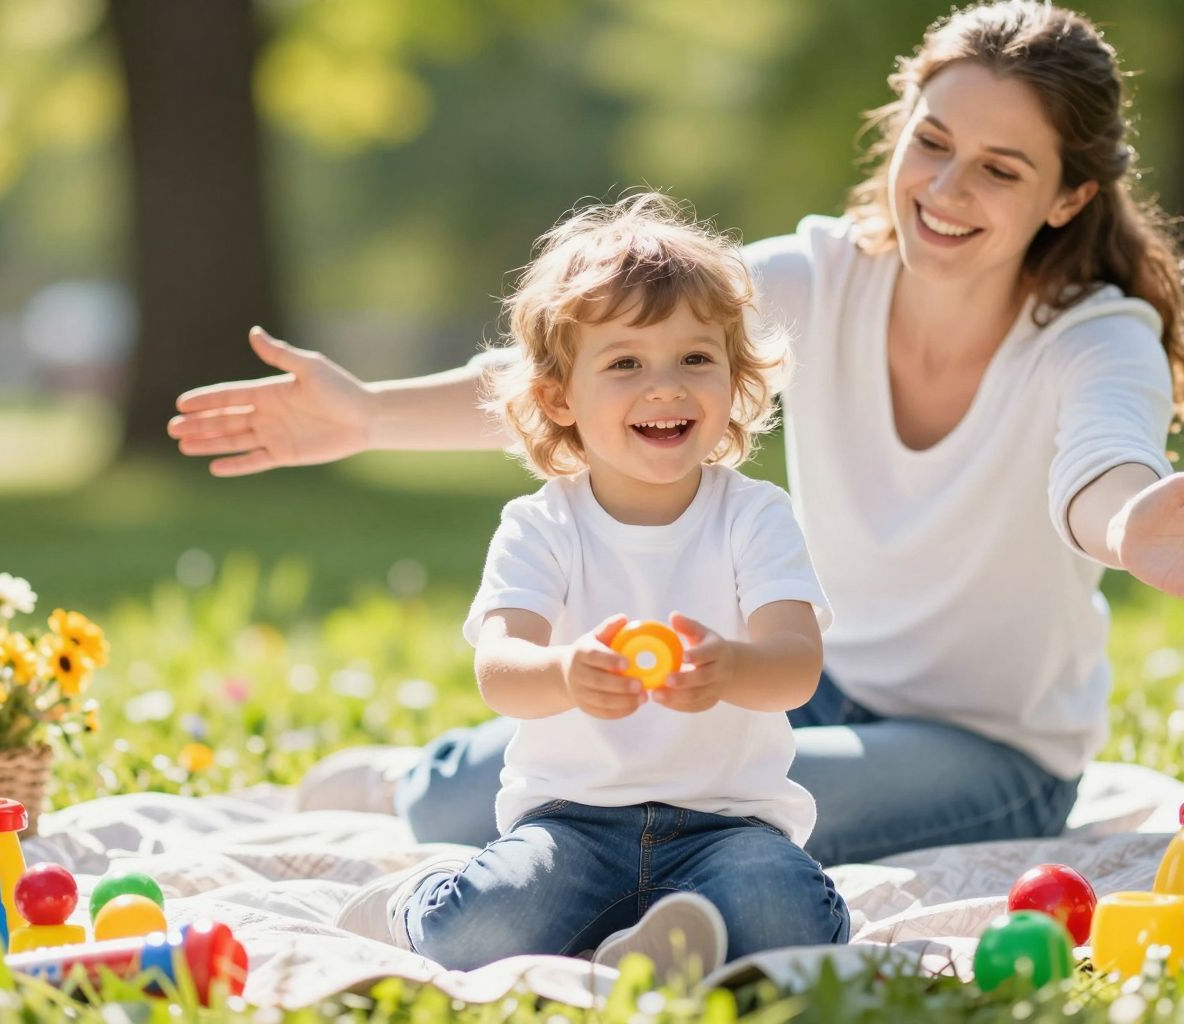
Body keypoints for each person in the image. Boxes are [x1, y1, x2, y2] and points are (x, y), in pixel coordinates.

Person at [168, 1, 1184, 871]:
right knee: (520, 792)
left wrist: (1130, 522)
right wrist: (365, 411)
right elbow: (596, 365)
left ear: (1065, 196)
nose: (945, 190)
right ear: (899, 128)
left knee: (700, 802)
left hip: (985, 747)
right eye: (932, 142)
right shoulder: (825, 273)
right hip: (810, 681)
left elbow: (1100, 459)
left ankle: (456, 787)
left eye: (1001, 169)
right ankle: (431, 780)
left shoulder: (1098, 337)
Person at [359, 193, 849, 971]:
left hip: (729, 828)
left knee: (784, 914)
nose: (667, 387)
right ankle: (418, 904)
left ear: (735, 376)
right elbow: (500, 669)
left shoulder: (755, 516)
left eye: (696, 358)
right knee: (477, 936)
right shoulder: (540, 526)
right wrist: (565, 672)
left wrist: (733, 665)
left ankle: (646, 941)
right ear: (560, 396)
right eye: (626, 363)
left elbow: (796, 663)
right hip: (573, 823)